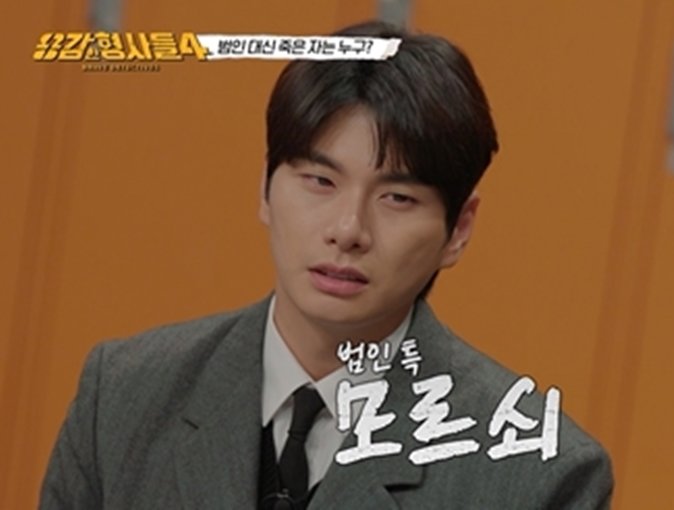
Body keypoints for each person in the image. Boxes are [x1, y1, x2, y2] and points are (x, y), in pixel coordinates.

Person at [40, 20, 613, 509]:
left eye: (397, 198)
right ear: (265, 188)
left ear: (458, 230)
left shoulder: (537, 474)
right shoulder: (123, 397)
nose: (348, 230)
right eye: (319, 181)